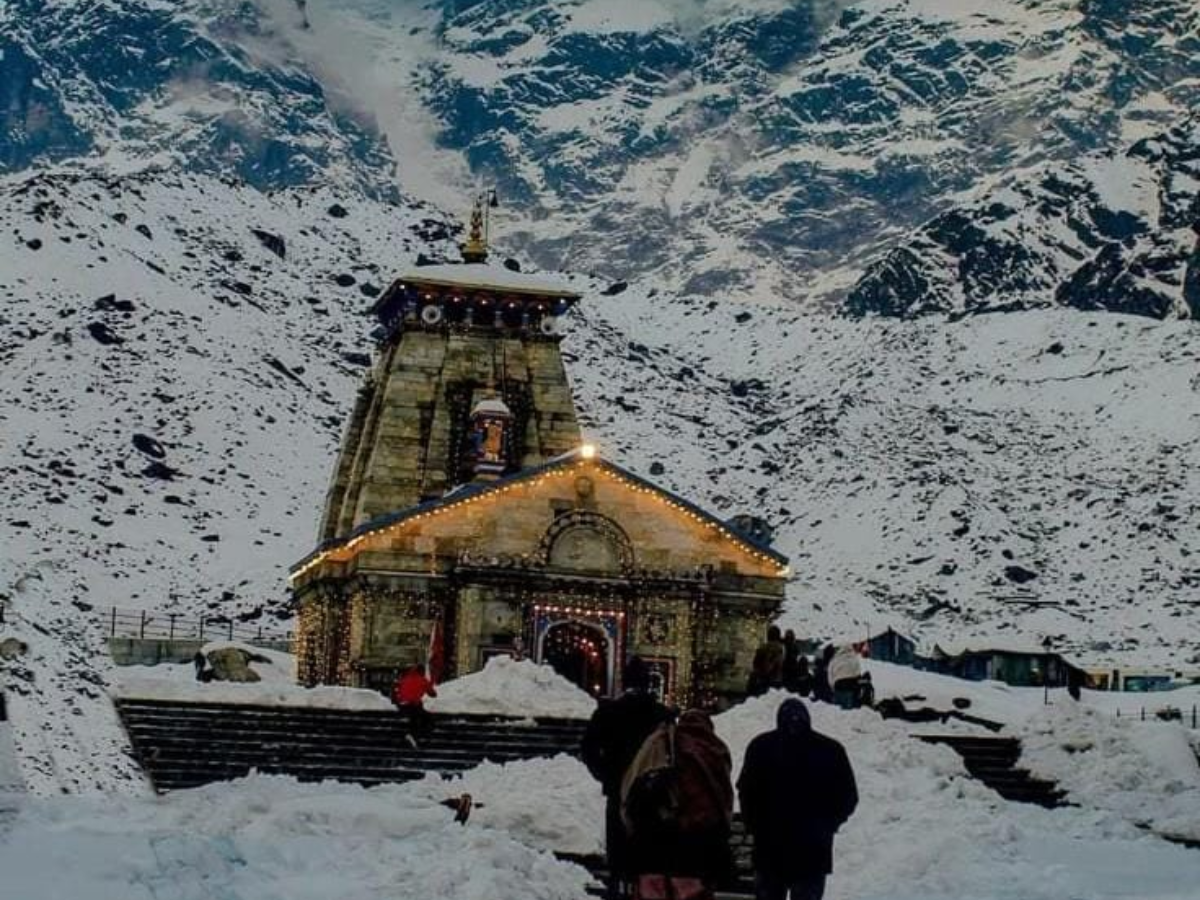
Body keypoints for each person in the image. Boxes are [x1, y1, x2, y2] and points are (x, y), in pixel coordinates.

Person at [737, 699, 858, 900]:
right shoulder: (831, 750)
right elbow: (848, 796)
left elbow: (746, 791)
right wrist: (828, 824)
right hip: (813, 852)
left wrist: (755, 825)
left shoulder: (761, 747)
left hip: (770, 849)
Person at [582, 657, 673, 900]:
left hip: (617, 788)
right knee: (647, 856)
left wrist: (605, 774)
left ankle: (618, 887)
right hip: (652, 793)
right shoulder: (660, 713)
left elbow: (588, 749)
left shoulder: (608, 711)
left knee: (619, 852)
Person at [621, 709, 734, 897]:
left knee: (653, 888)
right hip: (698, 842)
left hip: (653, 837)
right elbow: (723, 797)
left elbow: (631, 786)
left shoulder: (658, 742)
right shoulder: (714, 749)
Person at [393, 664, 437, 747]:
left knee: (415, 714)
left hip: (402, 705)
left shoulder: (405, 678)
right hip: (413, 705)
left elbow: (399, 691)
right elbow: (433, 694)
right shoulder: (422, 680)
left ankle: (412, 735)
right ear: (422, 672)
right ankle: (415, 735)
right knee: (425, 718)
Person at [748, 626, 785, 696]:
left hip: (762, 680)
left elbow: (755, 664)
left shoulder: (763, 648)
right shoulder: (781, 649)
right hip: (776, 681)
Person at [827, 645, 861, 709]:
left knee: (837, 709)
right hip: (851, 685)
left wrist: (832, 687)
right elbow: (858, 674)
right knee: (849, 708)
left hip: (838, 685)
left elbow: (830, 675)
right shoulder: (854, 658)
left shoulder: (834, 659)